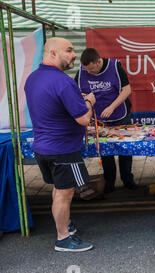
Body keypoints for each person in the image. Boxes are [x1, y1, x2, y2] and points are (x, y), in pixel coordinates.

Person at [24, 37, 95, 252]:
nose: (74, 54)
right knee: (65, 193)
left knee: (59, 190)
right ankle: (63, 238)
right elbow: (84, 119)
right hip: (63, 149)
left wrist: (74, 99)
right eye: (69, 50)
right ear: (52, 53)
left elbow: (51, 105)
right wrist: (89, 101)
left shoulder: (32, 78)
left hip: (43, 148)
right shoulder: (64, 82)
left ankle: (65, 227)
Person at [75, 48, 137, 193]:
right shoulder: (83, 70)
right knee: (106, 150)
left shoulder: (115, 66)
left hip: (120, 114)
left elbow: (126, 90)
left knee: (124, 149)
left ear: (99, 62)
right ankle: (109, 182)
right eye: (86, 70)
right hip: (98, 118)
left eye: (91, 69)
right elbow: (75, 91)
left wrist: (111, 107)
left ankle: (128, 179)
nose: (88, 73)